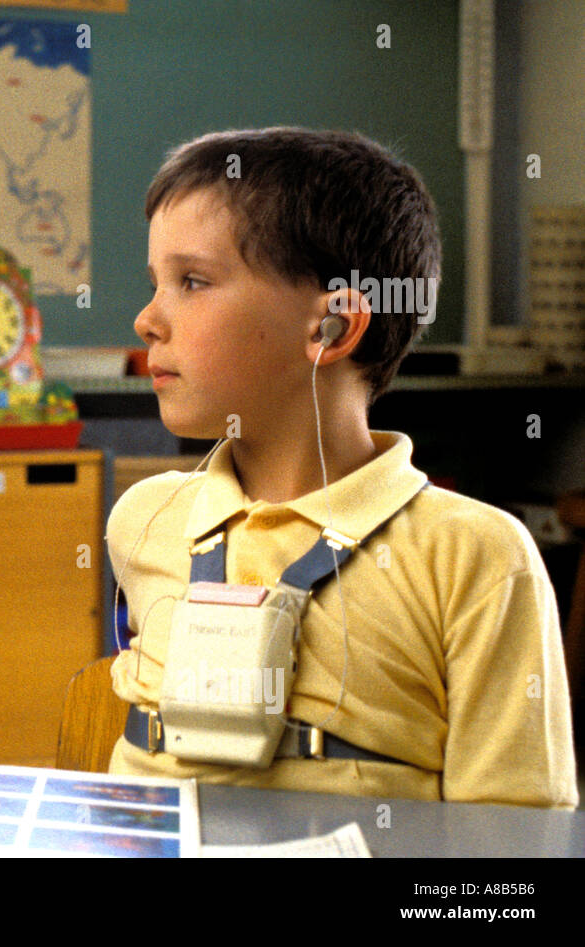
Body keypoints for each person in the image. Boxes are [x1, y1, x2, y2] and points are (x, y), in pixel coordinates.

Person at [109, 127, 577, 808]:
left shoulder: (474, 556)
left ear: (333, 327)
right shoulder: (145, 520)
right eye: (156, 283)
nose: (147, 318)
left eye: (192, 281)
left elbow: (510, 853)